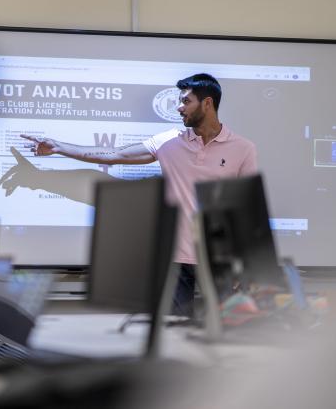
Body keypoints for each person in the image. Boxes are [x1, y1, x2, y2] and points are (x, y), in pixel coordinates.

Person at [21, 73, 257, 316]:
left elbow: (246, 210)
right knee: (172, 332)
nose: (179, 107)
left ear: (207, 103)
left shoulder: (243, 148)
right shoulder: (168, 142)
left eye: (186, 101)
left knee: (228, 332)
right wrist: (59, 148)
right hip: (174, 260)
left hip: (220, 260)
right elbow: (113, 156)